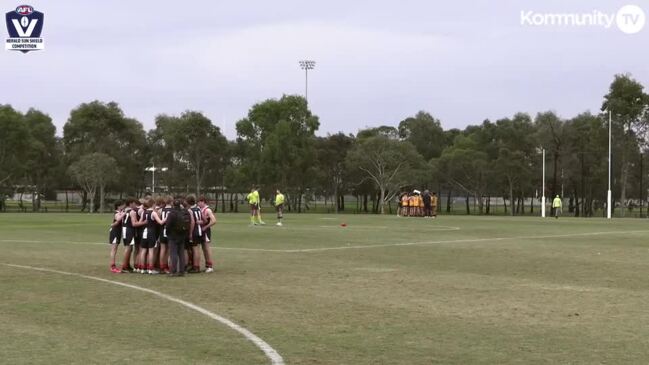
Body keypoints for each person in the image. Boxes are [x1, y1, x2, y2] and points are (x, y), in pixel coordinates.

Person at [165, 198, 190, 277]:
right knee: (181, 253)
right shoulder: (185, 212)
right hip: (182, 235)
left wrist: (168, 233)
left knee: (173, 253)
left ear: (173, 204)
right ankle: (182, 271)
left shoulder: (172, 213)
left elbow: (168, 225)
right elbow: (189, 222)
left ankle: (173, 271)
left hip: (173, 235)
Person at [198, 196, 216, 273]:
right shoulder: (200, 209)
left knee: (206, 248)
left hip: (205, 231)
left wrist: (205, 227)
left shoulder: (207, 210)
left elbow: (214, 221)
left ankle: (210, 266)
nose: (198, 203)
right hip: (200, 231)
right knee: (203, 248)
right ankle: (207, 265)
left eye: (199, 202)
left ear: (203, 202)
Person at [186, 195, 204, 273]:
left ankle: (196, 267)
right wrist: (201, 222)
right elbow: (204, 219)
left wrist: (190, 233)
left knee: (194, 249)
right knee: (197, 249)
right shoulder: (199, 209)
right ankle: (196, 266)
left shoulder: (190, 210)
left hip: (194, 232)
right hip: (199, 231)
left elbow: (192, 223)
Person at [108, 201, 125, 273]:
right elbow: (118, 219)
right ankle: (112, 266)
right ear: (118, 206)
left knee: (115, 249)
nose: (124, 206)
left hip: (117, 232)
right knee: (114, 250)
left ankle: (113, 266)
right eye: (122, 205)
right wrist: (123, 214)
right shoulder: (117, 213)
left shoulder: (120, 212)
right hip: (115, 232)